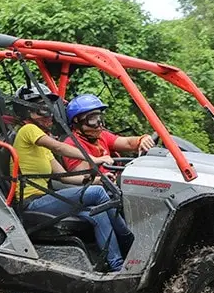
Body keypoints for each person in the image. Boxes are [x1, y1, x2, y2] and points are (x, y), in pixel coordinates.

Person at [12, 85, 134, 272]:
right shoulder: (28, 130)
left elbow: (66, 177)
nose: (49, 115)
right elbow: (60, 148)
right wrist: (94, 159)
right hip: (32, 202)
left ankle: (116, 265)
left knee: (98, 211)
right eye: (43, 110)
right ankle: (131, 244)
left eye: (50, 110)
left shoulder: (42, 146)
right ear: (28, 112)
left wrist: (96, 179)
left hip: (46, 198)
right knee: (98, 195)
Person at [62, 94, 155, 173]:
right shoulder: (71, 144)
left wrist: (142, 139)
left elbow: (128, 143)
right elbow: (81, 174)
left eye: (99, 118)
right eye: (92, 119)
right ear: (77, 121)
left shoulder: (101, 135)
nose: (99, 124)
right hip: (98, 188)